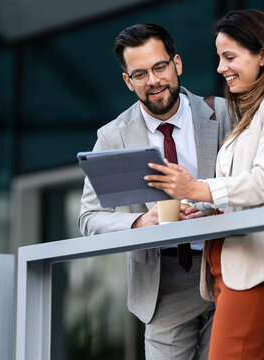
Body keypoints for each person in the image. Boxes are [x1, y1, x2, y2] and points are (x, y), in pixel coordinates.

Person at [145, 9, 264, 359]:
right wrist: (207, 211)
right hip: (230, 266)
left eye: (230, 57)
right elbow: (245, 192)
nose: (220, 67)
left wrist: (196, 189)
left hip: (258, 266)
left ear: (263, 55)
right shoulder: (251, 114)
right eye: (219, 57)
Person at [78, 23, 231, 359]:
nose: (153, 81)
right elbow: (89, 218)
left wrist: (207, 204)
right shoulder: (112, 136)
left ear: (177, 63)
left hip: (226, 266)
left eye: (160, 67)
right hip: (162, 282)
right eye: (140, 74)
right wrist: (137, 224)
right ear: (127, 81)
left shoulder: (224, 113)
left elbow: (249, 187)